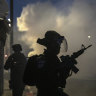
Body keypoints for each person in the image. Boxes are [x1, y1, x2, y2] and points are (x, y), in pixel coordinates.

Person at [23, 30, 69, 96]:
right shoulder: (52, 59)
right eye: (58, 43)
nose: (59, 46)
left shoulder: (40, 59)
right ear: (53, 44)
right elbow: (60, 82)